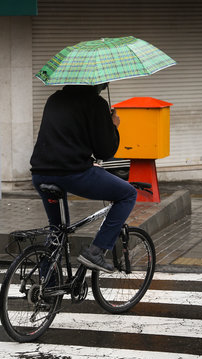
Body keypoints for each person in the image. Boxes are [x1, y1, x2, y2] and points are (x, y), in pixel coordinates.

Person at [30, 84, 138, 273]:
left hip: (41, 173)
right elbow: (105, 151)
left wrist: (85, 159)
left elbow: (65, 138)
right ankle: (96, 252)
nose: (106, 85)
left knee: (57, 230)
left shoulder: (54, 99)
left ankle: (46, 290)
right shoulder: (95, 103)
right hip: (71, 174)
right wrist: (112, 126)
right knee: (127, 194)